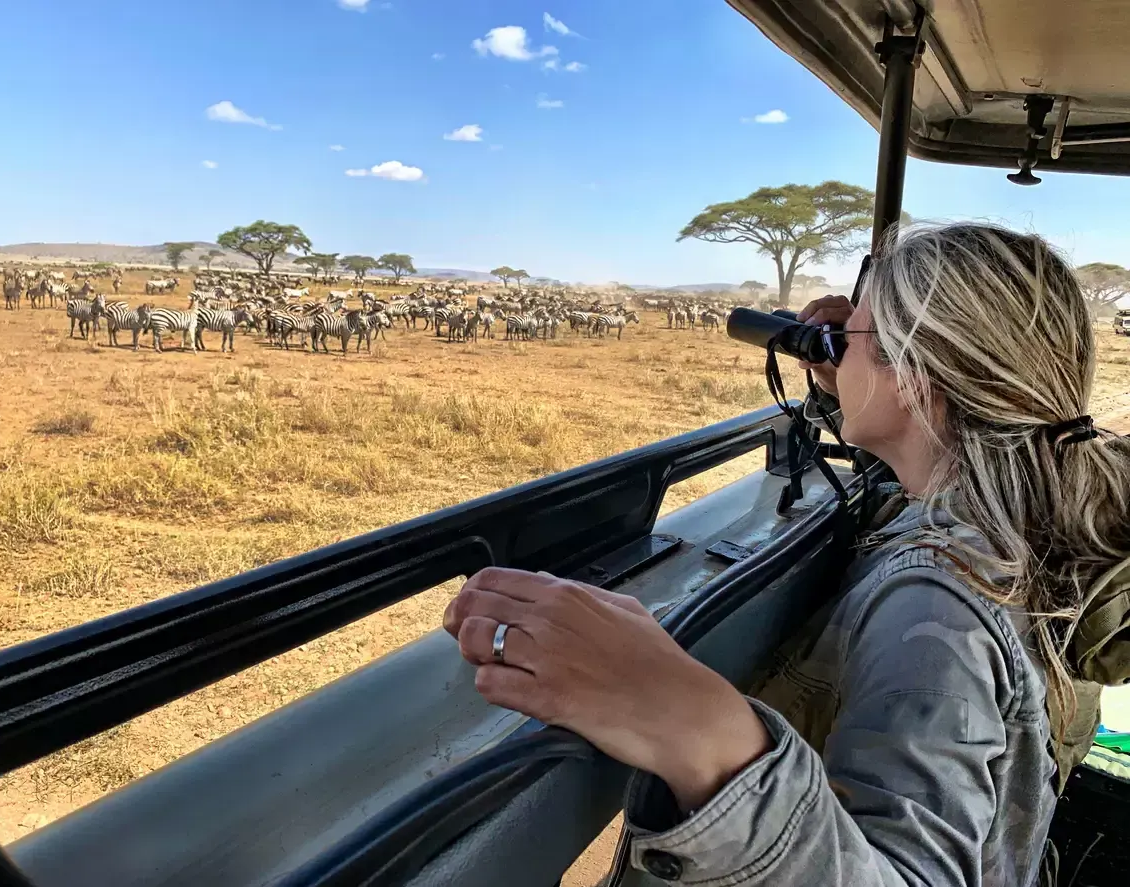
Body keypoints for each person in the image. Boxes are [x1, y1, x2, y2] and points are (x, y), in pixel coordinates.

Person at [442, 223, 1130, 885]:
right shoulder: (1021, 512)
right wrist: (853, 386)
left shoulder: (937, 601)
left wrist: (706, 732)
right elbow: (932, 444)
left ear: (916, 378)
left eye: (854, 336)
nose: (836, 350)